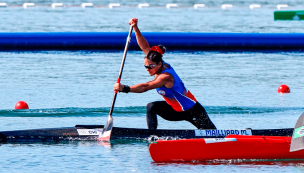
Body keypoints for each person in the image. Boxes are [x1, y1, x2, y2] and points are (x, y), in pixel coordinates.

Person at [114, 18, 216, 130]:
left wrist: (125, 88)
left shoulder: (165, 77)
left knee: (215, 135)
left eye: (150, 67)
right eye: (145, 66)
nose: (147, 69)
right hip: (174, 110)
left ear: (159, 64)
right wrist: (135, 28)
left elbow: (145, 87)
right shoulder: (154, 60)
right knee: (151, 107)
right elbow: (144, 47)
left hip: (192, 111)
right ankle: (152, 134)